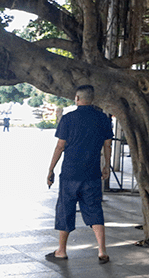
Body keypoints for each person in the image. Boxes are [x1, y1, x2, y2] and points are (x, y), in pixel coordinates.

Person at [46, 85, 114, 264]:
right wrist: (106, 165)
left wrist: (51, 168)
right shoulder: (103, 119)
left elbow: (60, 146)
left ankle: (61, 250)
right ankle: (102, 250)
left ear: (77, 98)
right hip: (92, 173)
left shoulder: (68, 118)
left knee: (65, 209)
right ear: (93, 99)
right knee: (95, 209)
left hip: (70, 173)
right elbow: (108, 145)